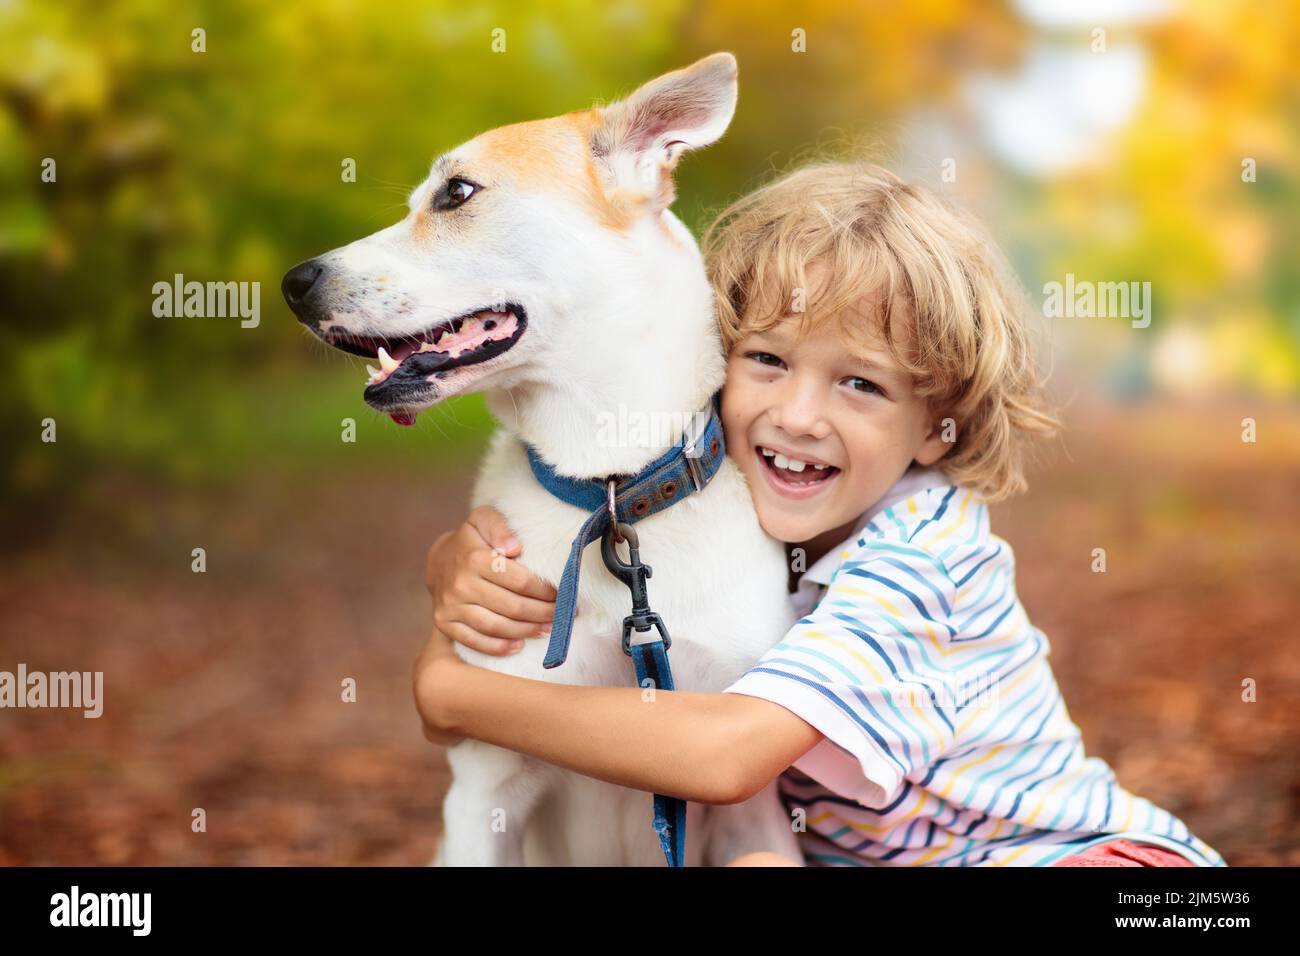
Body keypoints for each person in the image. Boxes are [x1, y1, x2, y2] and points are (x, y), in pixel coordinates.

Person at [413, 161, 1225, 867]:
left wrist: (457, 695)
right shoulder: (731, 498)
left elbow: (725, 756)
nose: (797, 416)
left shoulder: (923, 557)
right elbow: (605, 516)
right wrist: (455, 560)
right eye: (767, 359)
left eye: (860, 383)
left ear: (939, 428)